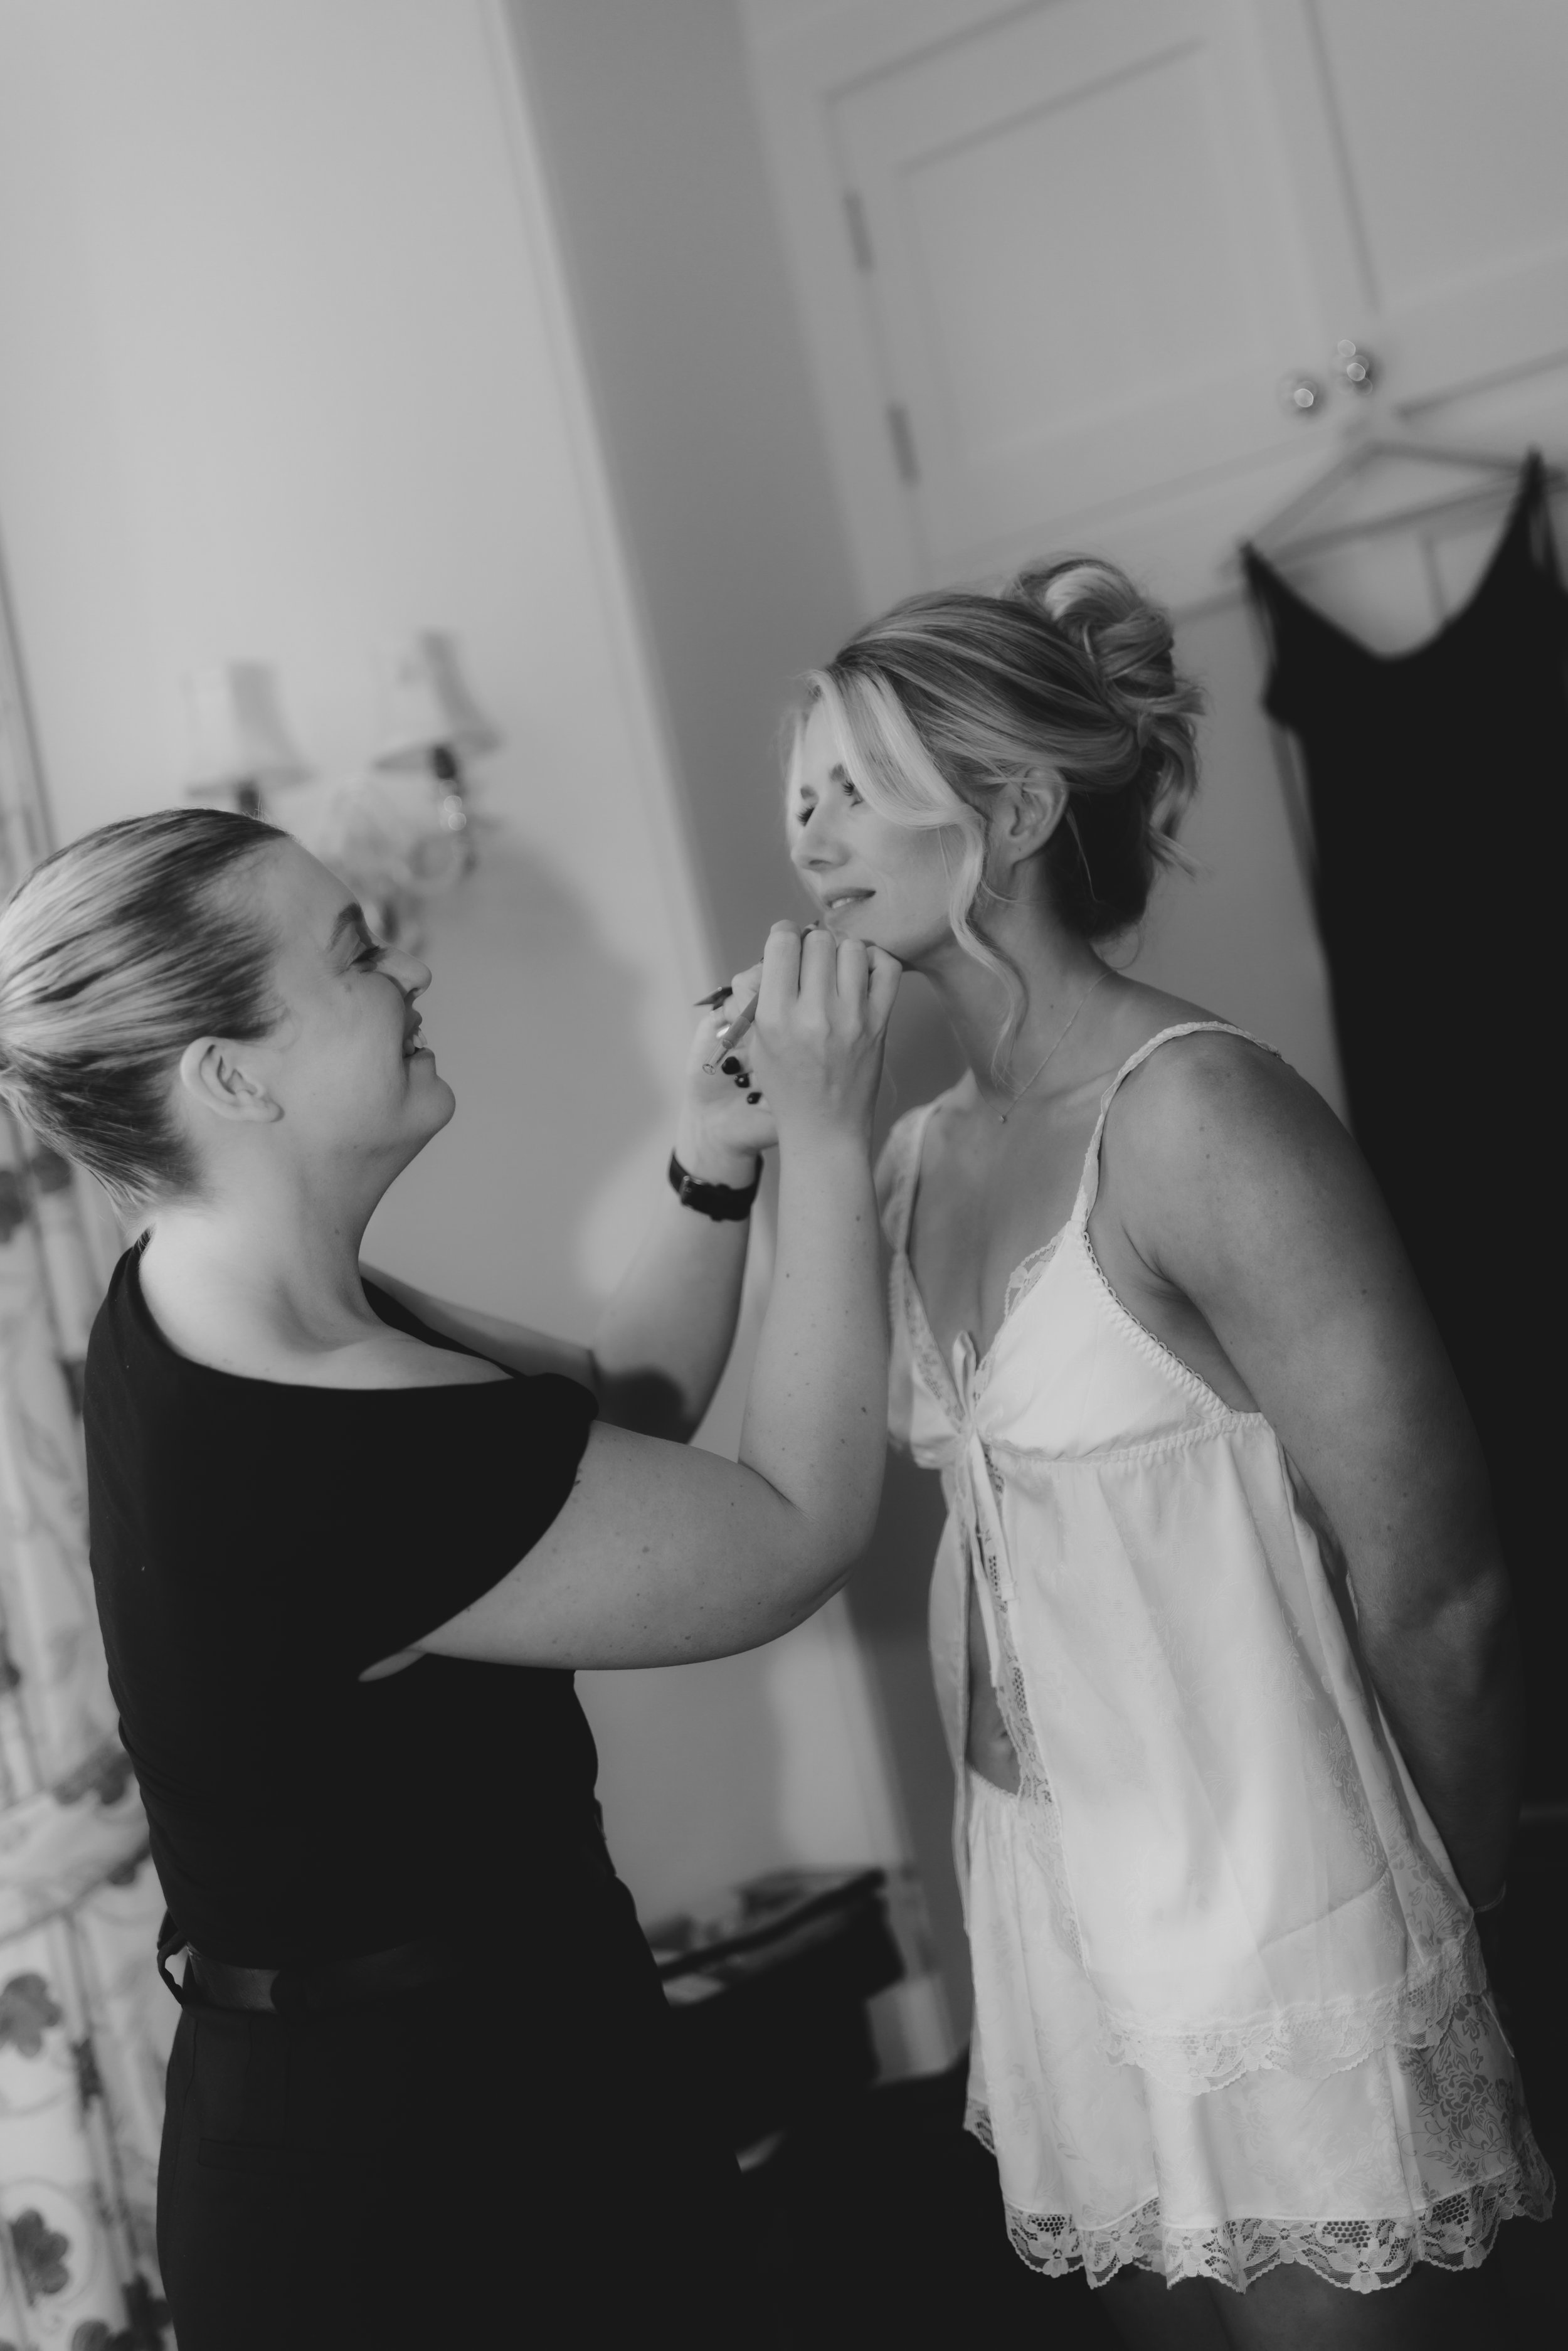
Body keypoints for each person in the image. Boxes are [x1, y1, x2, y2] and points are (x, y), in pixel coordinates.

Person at [0, 807, 899, 2349]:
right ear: (233, 1073)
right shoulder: (310, 1434)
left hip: (431, 2085)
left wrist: (714, 1157)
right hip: (419, 2181)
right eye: (351, 952)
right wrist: (826, 1139)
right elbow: (790, 1531)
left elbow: (609, 1419)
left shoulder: (216, 1291)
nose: (404, 967)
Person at [785, 559, 1554, 2349]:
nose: (810, 836)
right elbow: (782, 1490)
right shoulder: (899, 1158)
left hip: (1280, 1907)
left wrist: (1425, 1932)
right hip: (1051, 1908)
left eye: (852, 785)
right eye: (797, 797)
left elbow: (1441, 1587)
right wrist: (782, 1146)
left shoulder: (1200, 1114)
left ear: (1021, 804)